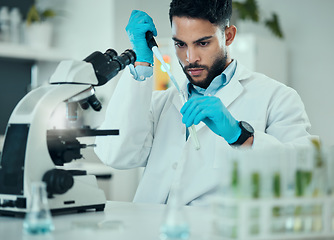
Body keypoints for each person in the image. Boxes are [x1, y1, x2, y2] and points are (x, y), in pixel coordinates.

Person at [95, 0, 315, 205]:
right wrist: (141, 65)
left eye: (202, 43)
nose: (191, 58)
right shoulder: (162, 103)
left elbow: (306, 176)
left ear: (228, 36)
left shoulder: (277, 97)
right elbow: (115, 155)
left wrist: (240, 136)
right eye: (180, 44)